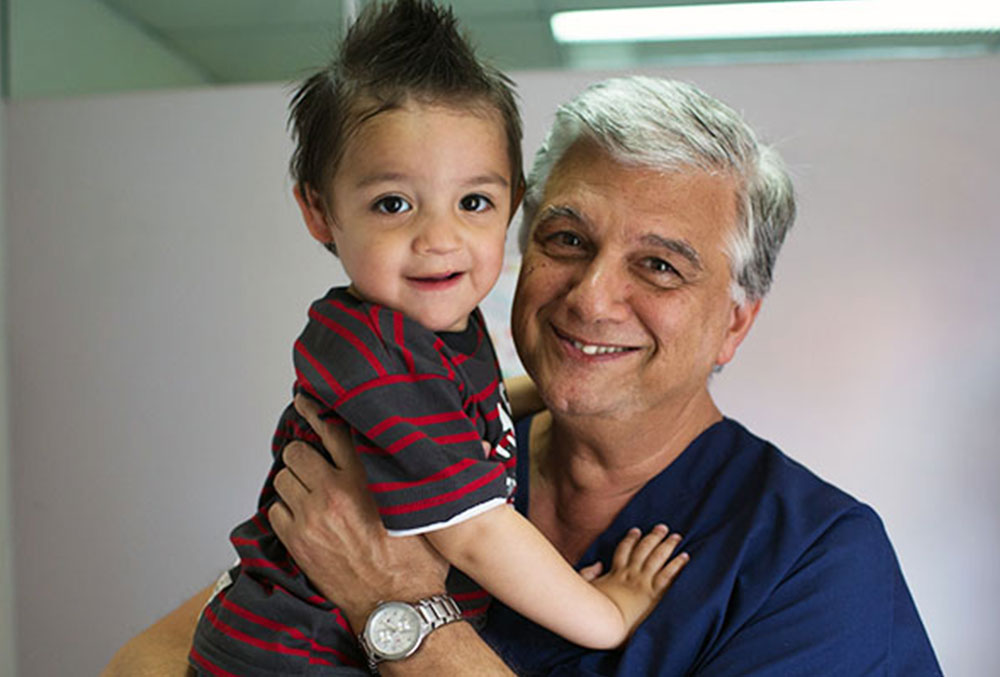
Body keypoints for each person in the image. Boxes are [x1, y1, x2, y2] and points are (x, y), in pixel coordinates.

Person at [104, 74, 942, 676]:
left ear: (734, 321)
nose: (591, 296)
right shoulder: (445, 438)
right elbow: (143, 663)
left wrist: (398, 609)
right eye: (566, 240)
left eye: (658, 266)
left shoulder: (814, 561)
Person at [188, 3, 689, 676]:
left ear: (512, 204)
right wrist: (609, 611)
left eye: (473, 202)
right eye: (394, 203)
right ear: (320, 211)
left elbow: (462, 410)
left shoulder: (436, 328)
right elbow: (476, 531)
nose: (439, 238)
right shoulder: (371, 348)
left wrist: (556, 386)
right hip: (288, 658)